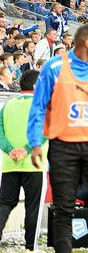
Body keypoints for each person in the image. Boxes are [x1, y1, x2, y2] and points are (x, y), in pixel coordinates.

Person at [27, 25, 88, 253]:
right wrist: (34, 143)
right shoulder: (54, 67)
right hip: (62, 146)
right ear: (87, 43)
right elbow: (38, 107)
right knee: (64, 208)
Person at [0, 70, 45, 251]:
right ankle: (30, 248)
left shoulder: (7, 105)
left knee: (4, 204)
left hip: (10, 164)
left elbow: (0, 132)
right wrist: (26, 150)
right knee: (33, 208)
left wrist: (10, 150)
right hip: (34, 165)